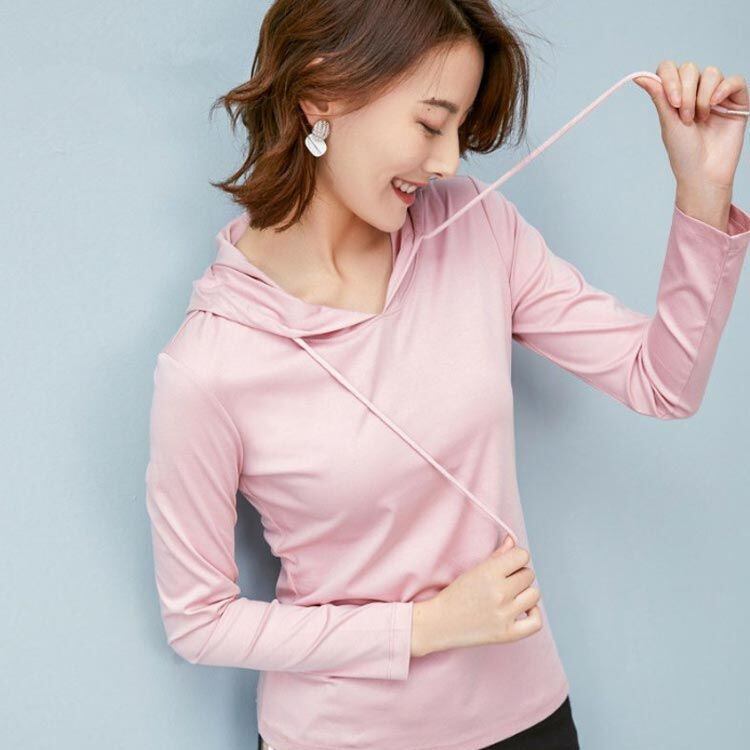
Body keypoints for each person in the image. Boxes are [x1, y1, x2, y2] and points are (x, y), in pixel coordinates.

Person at [144, 1, 750, 749]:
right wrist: (424, 628)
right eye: (432, 124)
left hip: (527, 720)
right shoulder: (208, 364)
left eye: (459, 129)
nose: (449, 163)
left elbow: (661, 382)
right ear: (322, 92)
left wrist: (702, 190)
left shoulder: (477, 228)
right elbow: (199, 622)